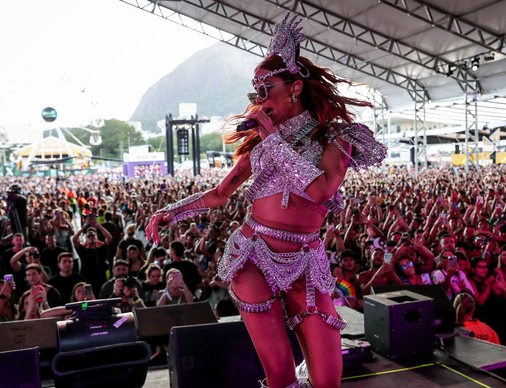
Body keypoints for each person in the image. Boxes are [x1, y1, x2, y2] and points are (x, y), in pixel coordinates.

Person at [146, 12, 386, 388]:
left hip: (306, 261)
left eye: (266, 88)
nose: (259, 99)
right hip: (253, 254)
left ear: (294, 87)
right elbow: (220, 194)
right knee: (279, 375)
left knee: (327, 382)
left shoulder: (337, 137)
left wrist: (273, 138)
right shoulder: (260, 146)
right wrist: (171, 212)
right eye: (255, 92)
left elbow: (321, 191)